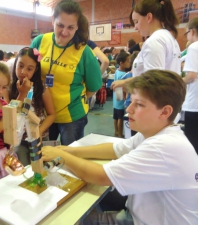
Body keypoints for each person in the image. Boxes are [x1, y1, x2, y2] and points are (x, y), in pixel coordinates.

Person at [42, 70, 198, 225]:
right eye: (131, 101)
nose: (129, 109)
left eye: (139, 104)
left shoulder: (164, 147)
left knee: (65, 219)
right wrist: (72, 151)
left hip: (140, 220)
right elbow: (116, 148)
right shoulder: (156, 132)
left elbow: (101, 176)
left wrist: (61, 156)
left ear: (165, 111)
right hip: (140, 213)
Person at [30, 0, 102, 145]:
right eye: (60, 25)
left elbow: (94, 86)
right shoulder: (40, 41)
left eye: (71, 27)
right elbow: (28, 69)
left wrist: (74, 100)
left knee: (69, 158)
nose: (64, 32)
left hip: (72, 117)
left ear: (77, 27)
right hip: (43, 114)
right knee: (42, 155)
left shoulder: (84, 52)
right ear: (53, 20)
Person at [111, 0, 181, 90]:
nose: (135, 27)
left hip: (157, 100)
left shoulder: (154, 41)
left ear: (149, 17)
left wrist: (130, 85)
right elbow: (156, 76)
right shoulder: (169, 38)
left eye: (136, 21)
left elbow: (153, 83)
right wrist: (127, 82)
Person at [9, 47, 55, 166]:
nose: (23, 72)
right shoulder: (9, 87)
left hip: (39, 137)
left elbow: (52, 114)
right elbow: (11, 114)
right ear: (15, 65)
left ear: (36, 70)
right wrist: (22, 93)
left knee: (40, 167)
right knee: (23, 169)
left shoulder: (42, 88)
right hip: (19, 140)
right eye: (20, 66)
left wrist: (39, 132)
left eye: (29, 69)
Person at [182, 17, 198, 154]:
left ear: (192, 32)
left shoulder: (194, 47)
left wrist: (178, 82)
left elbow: (192, 75)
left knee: (193, 145)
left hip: (195, 105)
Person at [113, 52, 130, 137]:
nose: (129, 63)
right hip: (120, 98)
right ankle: (120, 134)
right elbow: (123, 89)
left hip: (115, 98)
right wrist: (125, 99)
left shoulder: (117, 71)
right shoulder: (124, 75)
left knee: (115, 117)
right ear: (121, 63)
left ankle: (116, 131)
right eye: (128, 61)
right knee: (120, 118)